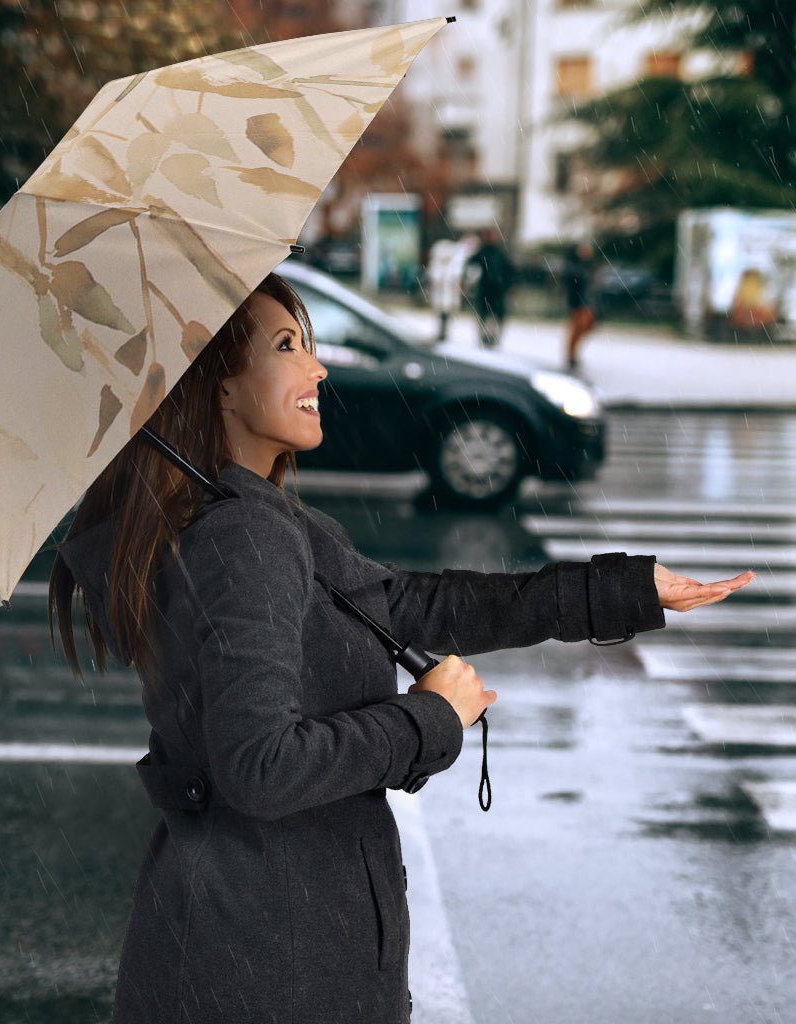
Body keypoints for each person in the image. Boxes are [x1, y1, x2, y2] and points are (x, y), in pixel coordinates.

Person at [48, 273, 753, 1024]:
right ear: (217, 386)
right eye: (287, 347)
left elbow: (415, 605)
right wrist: (428, 719)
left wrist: (621, 591)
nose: (317, 368)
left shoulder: (252, 520)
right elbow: (260, 767)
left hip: (257, 942)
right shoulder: (243, 538)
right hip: (270, 963)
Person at [464, 226, 515, 348]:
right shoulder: (483, 252)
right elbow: (471, 264)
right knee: (484, 314)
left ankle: (493, 337)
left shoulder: (500, 253)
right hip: (486, 289)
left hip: (497, 289)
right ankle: (484, 336)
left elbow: (509, 270)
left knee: (495, 315)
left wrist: (509, 285)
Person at [563, 241, 597, 369]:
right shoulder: (573, 267)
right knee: (577, 328)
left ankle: (573, 354)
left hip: (586, 302)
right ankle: (571, 355)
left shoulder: (587, 266)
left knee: (585, 327)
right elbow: (573, 285)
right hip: (577, 302)